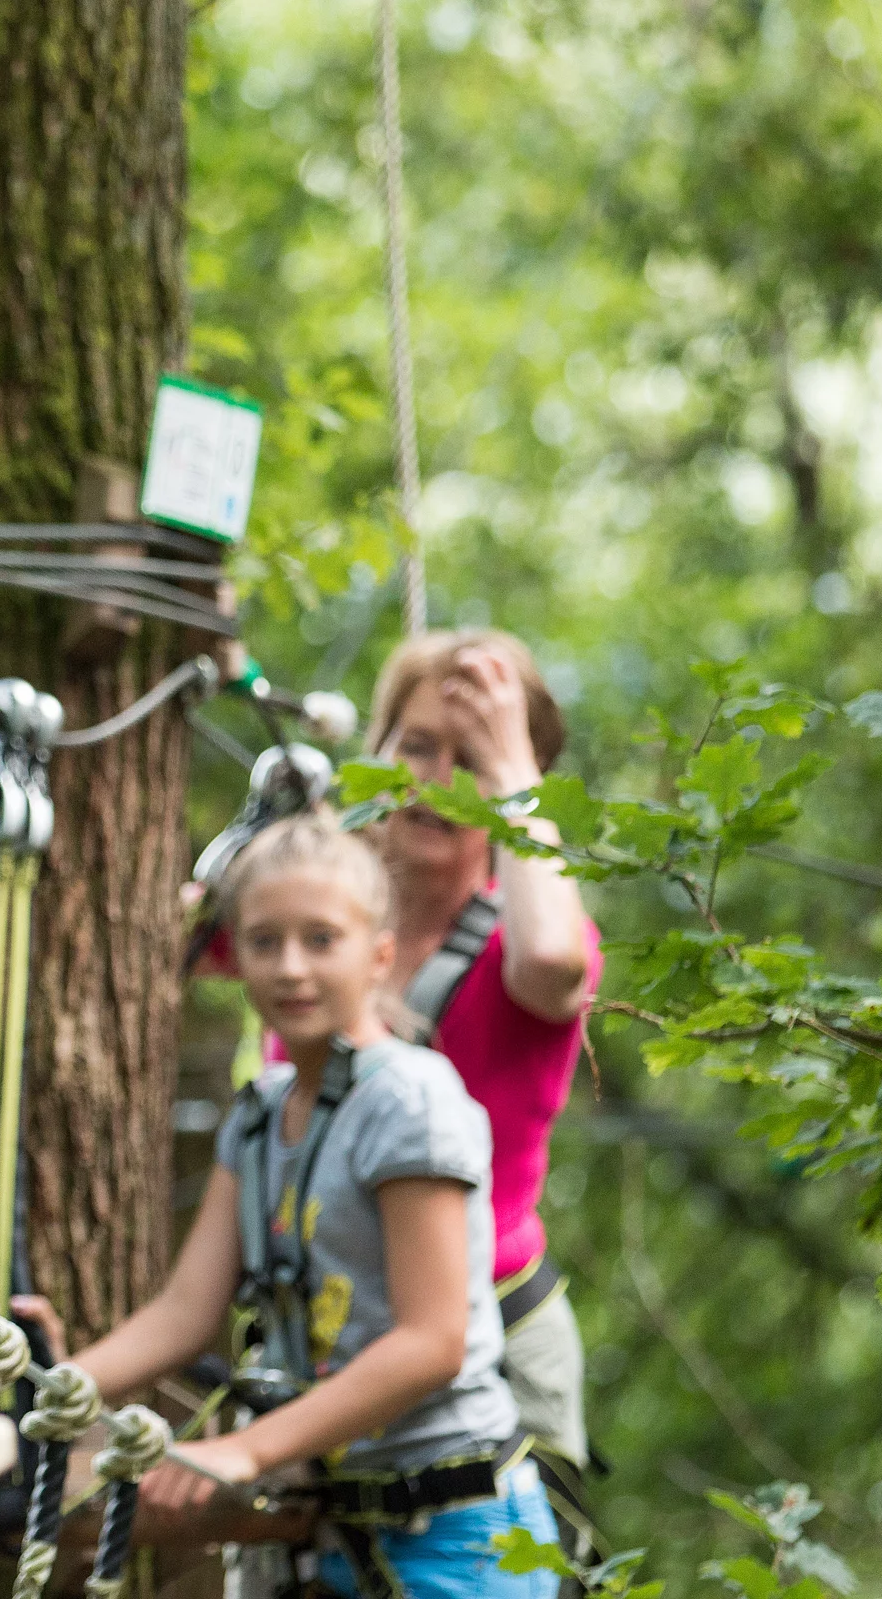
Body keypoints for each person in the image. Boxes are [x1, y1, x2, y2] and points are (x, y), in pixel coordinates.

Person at [65, 817, 556, 1598]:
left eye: (321, 939)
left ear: (380, 954)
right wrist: (52, 1385)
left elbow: (432, 1342)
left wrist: (247, 1450)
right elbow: (188, 1312)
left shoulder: (409, 1101)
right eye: (265, 942)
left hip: (457, 1535)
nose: (291, 967)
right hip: (334, 1528)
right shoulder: (258, 1114)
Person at [363, 631, 600, 1525]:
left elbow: (552, 959)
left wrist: (515, 764)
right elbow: (173, 935)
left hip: (494, 1350)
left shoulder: (524, 936)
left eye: (472, 762)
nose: (436, 781)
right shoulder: (319, 937)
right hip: (340, 1345)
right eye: (417, 747)